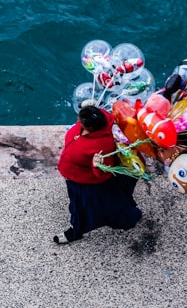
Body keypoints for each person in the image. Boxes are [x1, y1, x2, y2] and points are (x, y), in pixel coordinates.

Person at [54, 104, 141, 244]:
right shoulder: (90, 123)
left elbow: (104, 173)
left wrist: (96, 166)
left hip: (86, 183)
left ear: (91, 128)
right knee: (107, 205)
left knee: (81, 208)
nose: (78, 121)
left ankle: (76, 230)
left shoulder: (102, 145)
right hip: (74, 177)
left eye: (80, 121)